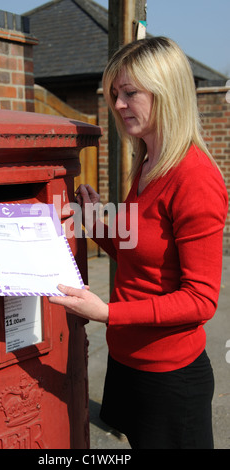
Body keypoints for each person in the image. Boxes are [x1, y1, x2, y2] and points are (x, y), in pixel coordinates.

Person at [49, 37, 228, 449]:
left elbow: (201, 299)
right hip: (127, 362)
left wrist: (108, 312)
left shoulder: (195, 178)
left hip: (170, 376)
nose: (119, 104)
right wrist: (92, 222)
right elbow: (136, 252)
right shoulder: (147, 162)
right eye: (115, 94)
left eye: (130, 92)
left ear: (166, 92)